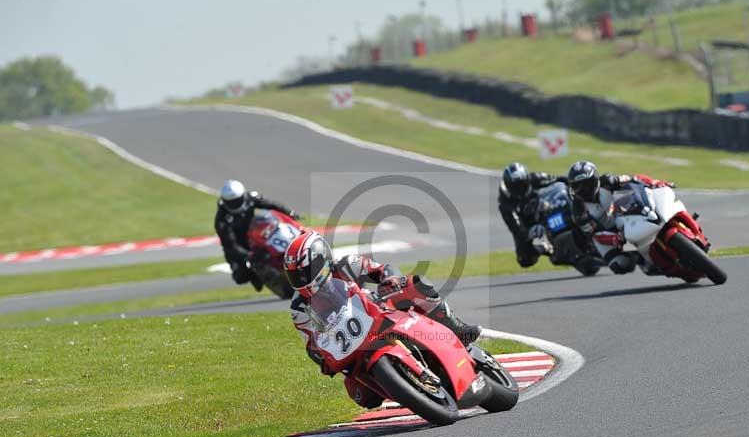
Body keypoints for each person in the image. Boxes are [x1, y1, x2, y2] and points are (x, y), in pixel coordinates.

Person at [284, 231, 482, 408]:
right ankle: (407, 386)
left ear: (322, 259)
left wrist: (389, 278)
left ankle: (456, 328)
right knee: (365, 398)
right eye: (295, 276)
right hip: (354, 345)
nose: (302, 280)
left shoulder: (346, 265)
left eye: (305, 272)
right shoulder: (299, 307)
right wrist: (322, 359)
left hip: (381, 312)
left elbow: (382, 269)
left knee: (415, 284)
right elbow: (311, 341)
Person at [566, 161, 674, 274]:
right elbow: (597, 235)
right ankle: (642, 260)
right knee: (620, 265)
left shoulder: (608, 181)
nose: (583, 189)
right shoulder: (579, 212)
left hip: (622, 215)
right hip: (606, 233)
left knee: (653, 204)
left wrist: (655, 183)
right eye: (577, 186)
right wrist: (616, 239)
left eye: (586, 184)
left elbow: (635, 179)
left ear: (595, 179)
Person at [214, 179, 299, 291]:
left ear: (242, 195)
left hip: (255, 234)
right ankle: (257, 277)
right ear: (225, 201)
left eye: (237, 200)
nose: (234, 204)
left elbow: (271, 205)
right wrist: (249, 255)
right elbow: (230, 245)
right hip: (237, 245)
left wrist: (289, 213)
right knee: (240, 276)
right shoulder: (222, 220)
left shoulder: (250, 198)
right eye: (231, 202)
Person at [497, 162, 566, 267]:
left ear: (527, 179)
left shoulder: (535, 178)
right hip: (526, 225)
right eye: (516, 186)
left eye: (522, 184)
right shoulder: (505, 203)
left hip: (545, 209)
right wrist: (529, 233)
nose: (520, 188)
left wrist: (571, 183)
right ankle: (546, 248)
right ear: (508, 186)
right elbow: (516, 229)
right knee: (525, 260)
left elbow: (557, 179)